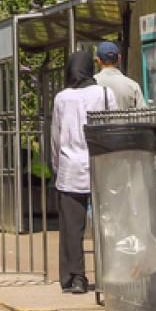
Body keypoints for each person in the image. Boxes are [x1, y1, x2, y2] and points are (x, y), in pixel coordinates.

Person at [50, 47, 109, 295]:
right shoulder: (104, 93)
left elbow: (55, 135)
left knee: (72, 228)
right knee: (108, 223)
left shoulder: (62, 98)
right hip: (100, 167)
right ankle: (111, 274)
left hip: (70, 170)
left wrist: (56, 166)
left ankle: (75, 278)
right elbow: (112, 125)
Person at [94, 40, 145, 110]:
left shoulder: (92, 84)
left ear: (98, 60)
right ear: (119, 58)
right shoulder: (133, 86)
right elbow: (143, 115)